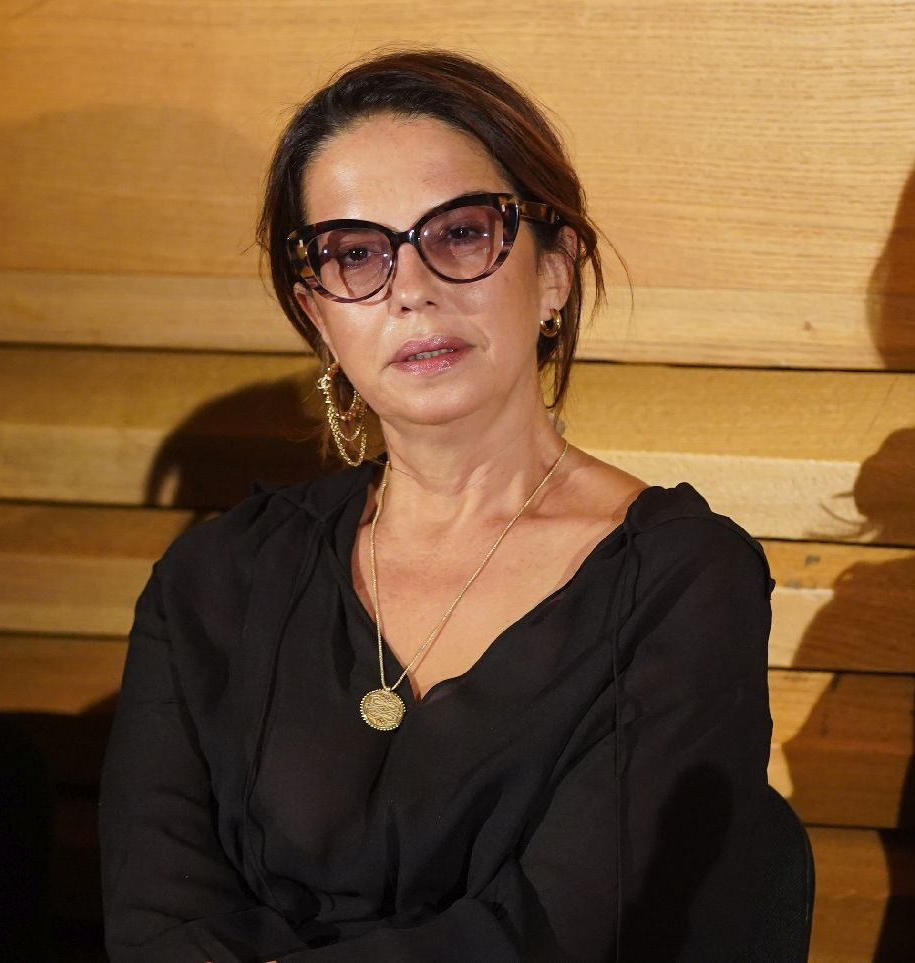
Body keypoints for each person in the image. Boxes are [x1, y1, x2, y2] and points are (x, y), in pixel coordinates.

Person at [99, 49, 776, 962]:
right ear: (319, 313)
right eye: (356, 253)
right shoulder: (214, 579)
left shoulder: (683, 582)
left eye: (459, 233)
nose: (411, 290)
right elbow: (155, 918)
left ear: (554, 271)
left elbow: (566, 930)